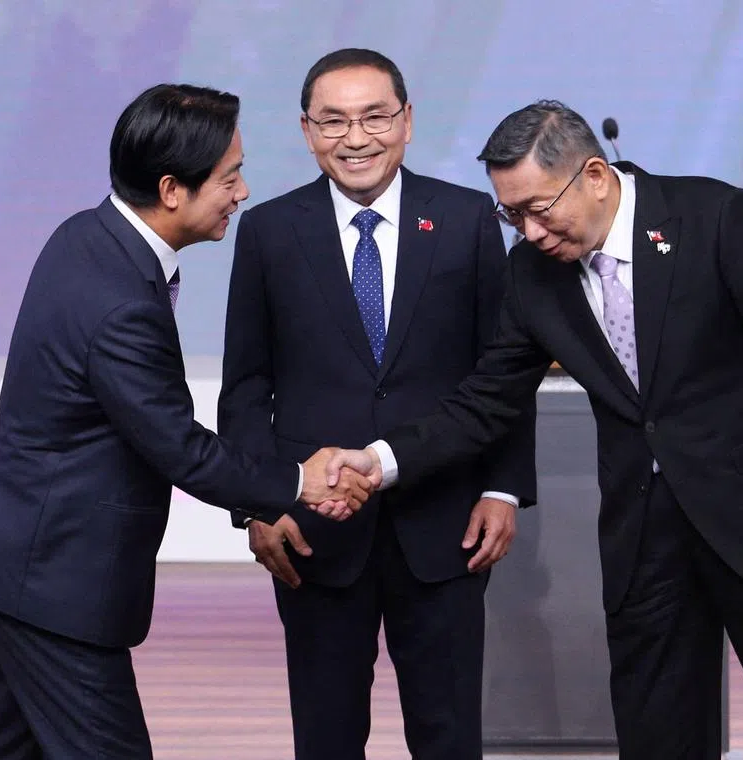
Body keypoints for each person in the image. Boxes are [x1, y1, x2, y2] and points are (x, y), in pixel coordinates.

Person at [320, 100, 743, 760]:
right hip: (643, 541)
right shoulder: (533, 275)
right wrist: (382, 460)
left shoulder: (716, 219)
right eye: (512, 216)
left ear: (594, 175)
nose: (529, 232)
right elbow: (486, 401)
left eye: (539, 208)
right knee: (658, 740)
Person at [0, 83, 370, 759]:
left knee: (13, 747)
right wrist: (300, 480)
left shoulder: (89, 234)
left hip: (19, 559)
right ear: (172, 189)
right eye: (229, 177)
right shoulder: (120, 302)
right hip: (53, 581)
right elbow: (179, 447)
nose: (242, 191)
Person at [217, 49, 536, 760]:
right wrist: (259, 503)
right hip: (314, 529)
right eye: (333, 121)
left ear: (408, 121)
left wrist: (503, 487)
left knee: (448, 730)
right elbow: (245, 384)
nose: (355, 138)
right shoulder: (269, 230)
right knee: (326, 734)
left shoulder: (466, 219)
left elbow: (503, 372)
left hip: (447, 519)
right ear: (306, 132)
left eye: (374, 117)